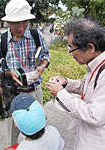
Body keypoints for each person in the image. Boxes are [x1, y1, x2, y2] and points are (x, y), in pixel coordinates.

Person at [0, 0, 50, 146]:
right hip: (13, 93)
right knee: (12, 134)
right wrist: (9, 74)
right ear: (8, 22)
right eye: (16, 23)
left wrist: (42, 67)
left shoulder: (36, 35)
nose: (21, 27)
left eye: (24, 22)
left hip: (34, 91)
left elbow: (46, 57)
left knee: (37, 132)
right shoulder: (2, 41)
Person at [45, 19, 105, 150]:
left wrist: (60, 93)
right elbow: (88, 88)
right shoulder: (96, 65)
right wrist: (66, 83)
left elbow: (94, 115)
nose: (70, 53)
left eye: (72, 48)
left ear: (90, 47)